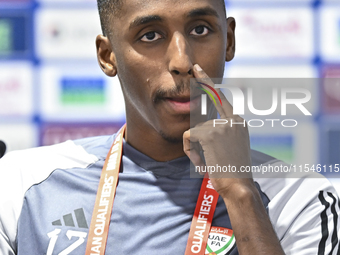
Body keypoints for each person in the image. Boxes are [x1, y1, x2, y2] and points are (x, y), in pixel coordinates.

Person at [0, 0, 339, 254]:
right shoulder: (21, 185)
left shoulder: (300, 196)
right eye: (150, 35)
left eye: (201, 30)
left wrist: (240, 193)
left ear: (229, 40)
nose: (181, 61)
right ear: (108, 56)